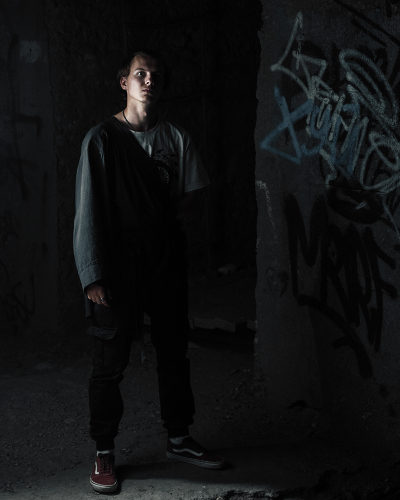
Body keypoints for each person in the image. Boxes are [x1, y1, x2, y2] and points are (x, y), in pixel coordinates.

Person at [73, 49, 226, 494]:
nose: (149, 80)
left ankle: (179, 438)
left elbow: (192, 192)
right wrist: (93, 275)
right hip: (118, 259)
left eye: (156, 75)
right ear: (124, 82)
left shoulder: (175, 138)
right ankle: (104, 450)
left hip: (164, 256)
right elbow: (88, 210)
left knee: (173, 349)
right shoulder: (102, 139)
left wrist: (158, 218)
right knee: (110, 359)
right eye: (140, 73)